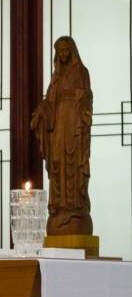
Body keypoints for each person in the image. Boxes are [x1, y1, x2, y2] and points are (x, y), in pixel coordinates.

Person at [31, 36, 94, 236]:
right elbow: (49, 102)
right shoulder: (56, 77)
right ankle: (59, 205)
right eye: (60, 51)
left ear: (72, 51)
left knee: (73, 162)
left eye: (66, 50)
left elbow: (87, 97)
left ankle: (75, 206)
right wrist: (41, 111)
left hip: (73, 123)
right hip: (58, 126)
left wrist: (83, 114)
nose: (63, 55)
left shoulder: (81, 73)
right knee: (57, 162)